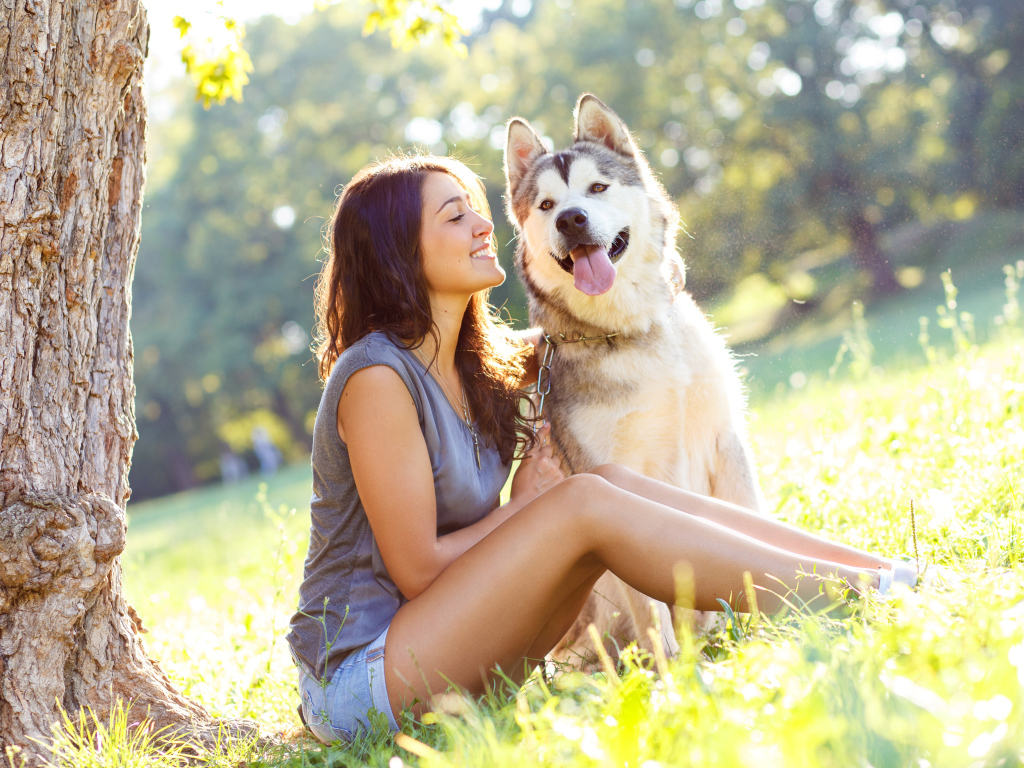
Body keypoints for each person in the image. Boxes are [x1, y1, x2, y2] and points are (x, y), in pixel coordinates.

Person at [285, 154, 912, 743]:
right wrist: (526, 503)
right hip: (362, 677)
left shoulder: (477, 362)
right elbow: (418, 569)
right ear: (397, 250)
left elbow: (595, 319)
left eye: (478, 209)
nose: (485, 226)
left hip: (446, 640)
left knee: (608, 477)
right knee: (583, 498)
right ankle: (842, 597)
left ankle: (882, 576)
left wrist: (652, 268)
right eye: (456, 216)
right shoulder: (376, 379)